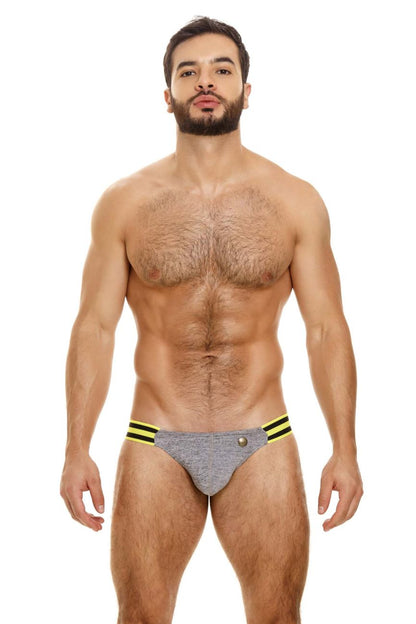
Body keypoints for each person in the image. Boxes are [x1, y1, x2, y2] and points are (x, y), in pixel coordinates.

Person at [60, 15, 364, 624]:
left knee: (277, 617)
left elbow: (326, 328)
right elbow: (95, 327)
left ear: (245, 90)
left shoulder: (294, 200)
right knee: (141, 617)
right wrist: (76, 448)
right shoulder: (125, 203)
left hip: (262, 437)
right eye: (188, 72)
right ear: (167, 94)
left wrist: (345, 448)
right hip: (156, 438)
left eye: (222, 70)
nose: (205, 81)